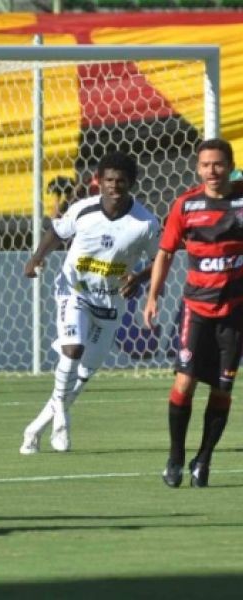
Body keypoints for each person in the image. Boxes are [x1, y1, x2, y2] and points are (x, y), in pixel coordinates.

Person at [20, 151, 160, 454]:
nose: (114, 186)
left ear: (131, 183)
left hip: (110, 301)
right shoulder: (84, 209)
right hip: (74, 289)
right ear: (99, 181)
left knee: (83, 376)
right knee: (73, 349)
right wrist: (36, 257)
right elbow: (57, 232)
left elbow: (160, 258)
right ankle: (62, 422)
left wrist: (139, 278)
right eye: (108, 180)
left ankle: (34, 429)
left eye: (121, 181)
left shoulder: (145, 223)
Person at [144, 138, 243, 489]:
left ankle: (203, 459)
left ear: (230, 165)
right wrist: (153, 297)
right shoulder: (186, 205)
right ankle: (175, 457)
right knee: (184, 383)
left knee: (222, 389)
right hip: (196, 309)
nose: (211, 171)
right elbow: (166, 252)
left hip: (234, 313)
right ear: (198, 168)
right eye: (205, 165)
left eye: (218, 164)